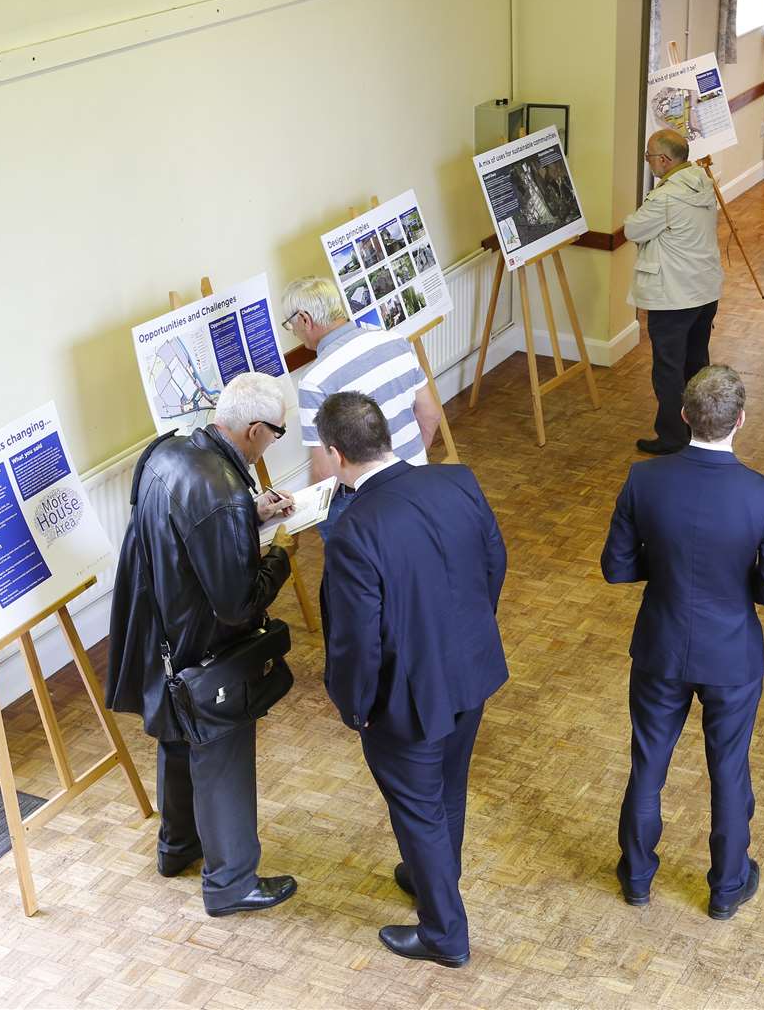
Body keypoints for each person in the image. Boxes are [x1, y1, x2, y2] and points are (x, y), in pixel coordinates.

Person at [316, 392, 508, 968]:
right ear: (385, 435)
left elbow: (356, 641)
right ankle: (432, 876)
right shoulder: (458, 481)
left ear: (334, 453)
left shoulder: (354, 530)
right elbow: (494, 563)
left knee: (419, 806)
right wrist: (466, 636)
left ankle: (444, 933)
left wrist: (355, 708)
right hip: (470, 672)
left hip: (406, 697)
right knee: (447, 786)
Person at [601, 365, 764, 920]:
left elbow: (615, 569)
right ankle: (727, 888)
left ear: (684, 416)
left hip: (661, 647)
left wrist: (662, 566)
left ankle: (636, 877)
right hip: (733, 656)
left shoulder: (644, 479)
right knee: (729, 771)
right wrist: (739, 580)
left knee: (648, 766)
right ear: (740, 421)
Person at [104, 372, 298, 918]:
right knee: (223, 757)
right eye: (277, 433)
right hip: (206, 649)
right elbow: (239, 604)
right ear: (255, 429)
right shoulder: (224, 492)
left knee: (177, 739)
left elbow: (179, 531)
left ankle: (178, 846)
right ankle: (232, 883)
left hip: (159, 635)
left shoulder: (168, 451)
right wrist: (280, 552)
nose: (274, 442)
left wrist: (248, 518)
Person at [280, 276, 442, 537]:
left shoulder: (315, 381)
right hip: (417, 479)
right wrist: (409, 462)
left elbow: (324, 473)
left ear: (305, 319)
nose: (295, 333)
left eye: (291, 325)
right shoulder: (395, 340)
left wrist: (306, 515)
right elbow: (431, 415)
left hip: (368, 503)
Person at [625, 128, 723, 455]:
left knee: (668, 367)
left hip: (673, 296)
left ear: (665, 160)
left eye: (649, 156)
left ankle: (671, 436)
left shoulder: (665, 198)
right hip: (705, 290)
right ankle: (700, 427)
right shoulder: (703, 180)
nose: (647, 161)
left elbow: (633, 228)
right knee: (696, 362)